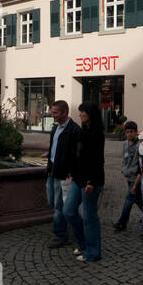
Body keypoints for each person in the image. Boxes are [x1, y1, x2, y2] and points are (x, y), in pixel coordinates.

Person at [45, 100, 82, 248]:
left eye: (55, 113)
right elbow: (55, 146)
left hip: (63, 174)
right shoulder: (56, 128)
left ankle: (60, 236)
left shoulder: (74, 130)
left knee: (59, 207)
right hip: (52, 171)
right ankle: (71, 227)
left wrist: (71, 172)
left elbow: (77, 154)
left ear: (64, 113)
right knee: (52, 201)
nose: (51, 115)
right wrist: (49, 156)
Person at [72, 102, 105, 262]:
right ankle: (84, 244)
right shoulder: (84, 129)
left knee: (89, 216)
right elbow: (79, 154)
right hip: (78, 179)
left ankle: (93, 252)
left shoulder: (97, 132)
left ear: (90, 113)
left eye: (82, 112)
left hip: (91, 181)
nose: (80, 114)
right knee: (69, 210)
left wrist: (91, 181)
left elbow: (97, 159)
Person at [112, 122, 142, 232]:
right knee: (138, 200)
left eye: (131, 132)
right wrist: (123, 168)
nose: (129, 134)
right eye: (127, 132)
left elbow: (141, 164)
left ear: (136, 132)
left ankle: (122, 223)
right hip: (128, 174)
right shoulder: (125, 144)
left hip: (137, 177)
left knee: (129, 199)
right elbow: (125, 158)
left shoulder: (140, 145)